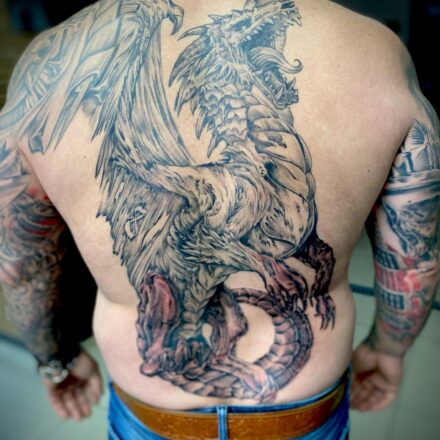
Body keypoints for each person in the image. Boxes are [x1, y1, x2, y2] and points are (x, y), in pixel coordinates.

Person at [0, 0, 438, 439]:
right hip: (300, 408)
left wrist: (54, 360)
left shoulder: (50, 65)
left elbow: (21, 268)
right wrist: (388, 349)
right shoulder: (374, 51)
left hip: (151, 412)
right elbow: (414, 255)